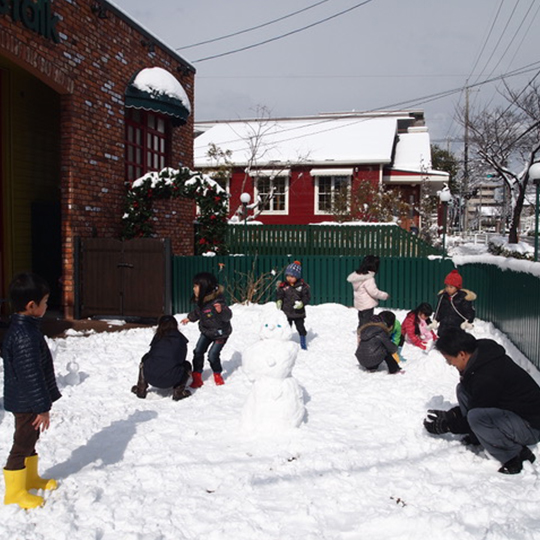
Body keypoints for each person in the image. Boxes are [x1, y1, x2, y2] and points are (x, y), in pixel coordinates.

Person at [424, 328, 540, 474]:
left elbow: (478, 411)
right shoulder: (479, 357)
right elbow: (479, 401)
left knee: (476, 418)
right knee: (463, 389)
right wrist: (452, 415)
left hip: (530, 426)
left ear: (462, 354)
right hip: (510, 414)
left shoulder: (487, 376)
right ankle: (478, 436)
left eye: (450, 360)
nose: (450, 364)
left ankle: (515, 455)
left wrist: (447, 426)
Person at [1, 273, 61, 509]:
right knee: (22, 443)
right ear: (31, 306)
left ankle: (31, 478)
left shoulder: (26, 329)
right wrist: (41, 407)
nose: (47, 306)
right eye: (45, 302)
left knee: (31, 438)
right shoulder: (24, 336)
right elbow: (30, 375)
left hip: (28, 400)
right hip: (26, 402)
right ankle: (15, 491)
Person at [181, 272, 232, 387]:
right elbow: (198, 312)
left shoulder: (218, 302)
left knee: (212, 355)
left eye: (196, 286)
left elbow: (228, 316)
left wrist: (221, 310)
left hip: (220, 333)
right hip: (206, 331)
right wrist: (189, 318)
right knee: (198, 351)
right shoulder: (203, 301)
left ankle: (217, 374)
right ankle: (197, 376)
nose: (193, 289)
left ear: (205, 287)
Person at [131, 315, 192, 401]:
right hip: (171, 379)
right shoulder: (180, 339)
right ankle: (178, 392)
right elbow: (180, 359)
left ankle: (141, 388)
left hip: (150, 377)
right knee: (187, 365)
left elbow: (150, 355)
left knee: (145, 360)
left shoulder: (158, 337)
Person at [347, 255, 389, 329]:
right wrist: (385, 295)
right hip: (367, 304)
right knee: (367, 324)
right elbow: (374, 292)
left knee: (362, 322)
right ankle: (365, 337)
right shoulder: (368, 278)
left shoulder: (358, 276)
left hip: (360, 303)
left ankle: (360, 335)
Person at [276, 260, 311, 350]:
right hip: (286, 312)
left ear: (297, 276)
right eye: (287, 276)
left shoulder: (303, 286)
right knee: (286, 328)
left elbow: (306, 297)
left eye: (292, 276)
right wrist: (279, 300)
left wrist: (302, 303)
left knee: (300, 328)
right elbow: (280, 294)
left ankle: (303, 342)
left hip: (298, 313)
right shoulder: (283, 286)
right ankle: (285, 343)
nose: (289, 278)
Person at [432, 269, 475, 336]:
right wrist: (435, 319)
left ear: (457, 288)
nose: (448, 289)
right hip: (444, 327)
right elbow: (438, 310)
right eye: (447, 286)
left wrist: (468, 321)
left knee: (455, 343)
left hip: (457, 327)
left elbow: (469, 312)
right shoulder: (443, 297)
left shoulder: (463, 298)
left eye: (451, 287)